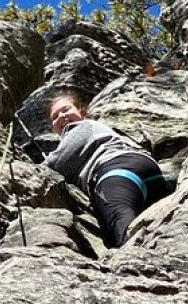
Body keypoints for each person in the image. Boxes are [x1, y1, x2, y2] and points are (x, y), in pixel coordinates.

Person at [42, 90, 172, 248]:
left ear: (81, 112)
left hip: (117, 171)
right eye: (55, 117)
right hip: (146, 173)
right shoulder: (99, 130)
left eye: (66, 109)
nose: (62, 116)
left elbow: (56, 165)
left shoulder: (81, 127)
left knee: (124, 226)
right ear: (53, 128)